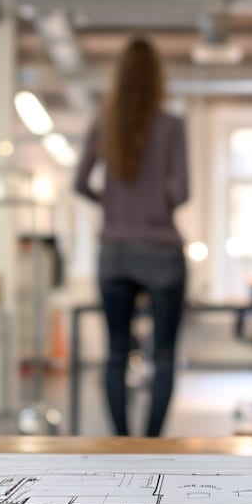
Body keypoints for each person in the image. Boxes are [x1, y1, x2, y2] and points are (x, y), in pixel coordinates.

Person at [74, 37, 190, 437]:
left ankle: (122, 441)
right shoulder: (172, 126)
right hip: (161, 252)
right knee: (163, 354)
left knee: (116, 354)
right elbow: (183, 192)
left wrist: (112, 203)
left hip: (116, 251)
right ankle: (153, 441)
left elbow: (80, 182)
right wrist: (156, 202)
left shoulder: (104, 122)